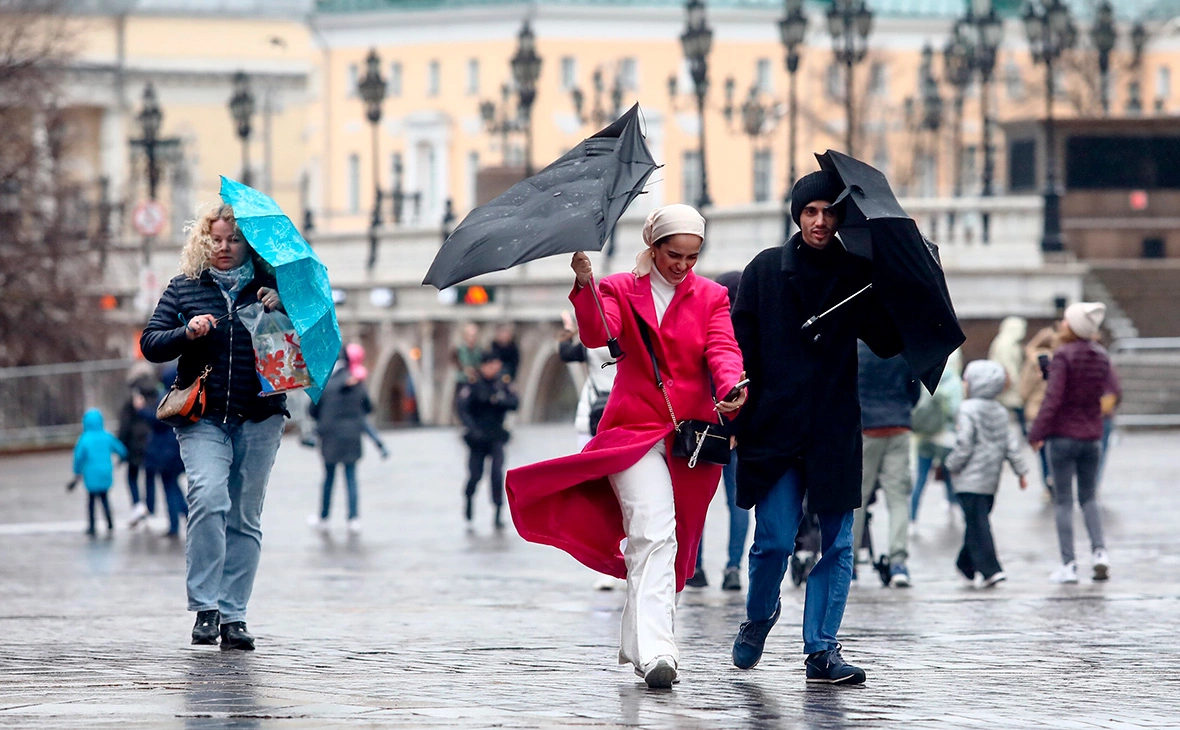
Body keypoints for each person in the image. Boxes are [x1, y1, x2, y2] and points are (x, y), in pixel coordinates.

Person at [506, 204, 746, 689]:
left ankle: (639, 647)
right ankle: (662, 650)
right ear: (653, 247)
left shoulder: (712, 296)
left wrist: (731, 385)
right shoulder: (618, 287)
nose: (683, 266)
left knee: (659, 540)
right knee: (654, 531)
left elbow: (722, 348)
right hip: (634, 430)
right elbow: (600, 334)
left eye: (693, 257)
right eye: (674, 255)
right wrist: (585, 283)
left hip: (689, 437)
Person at [730, 170, 902, 685]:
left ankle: (821, 651)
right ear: (797, 215)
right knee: (774, 542)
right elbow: (739, 344)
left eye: (829, 212)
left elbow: (889, 342)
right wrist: (737, 399)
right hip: (775, 427)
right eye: (811, 212)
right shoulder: (764, 271)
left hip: (833, 428)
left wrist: (887, 287)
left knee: (838, 544)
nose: (820, 221)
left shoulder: (857, 274)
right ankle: (760, 616)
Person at [140, 203, 287, 650]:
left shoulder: (272, 286)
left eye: (234, 240)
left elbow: (306, 342)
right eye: (216, 240)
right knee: (207, 495)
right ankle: (206, 606)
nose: (224, 248)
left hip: (260, 414)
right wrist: (187, 333)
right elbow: (150, 343)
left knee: (244, 514)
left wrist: (283, 308)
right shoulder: (186, 287)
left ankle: (234, 615)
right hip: (202, 415)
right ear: (204, 240)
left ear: (249, 244)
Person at [1028, 302, 1120, 584]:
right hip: (1092, 436)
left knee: (1064, 502)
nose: (1062, 325)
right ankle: (1100, 553)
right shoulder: (1102, 356)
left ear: (1073, 326)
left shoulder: (1064, 355)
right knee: (1090, 498)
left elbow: (1053, 399)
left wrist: (1036, 433)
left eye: (1067, 321)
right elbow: (1113, 390)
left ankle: (1068, 565)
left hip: (1062, 437)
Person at [944, 360, 1030, 587]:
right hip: (991, 480)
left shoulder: (967, 409)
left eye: (966, 380)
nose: (964, 384)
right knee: (977, 521)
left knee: (977, 523)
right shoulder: (1001, 411)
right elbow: (1011, 444)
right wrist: (1021, 470)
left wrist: (951, 465)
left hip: (968, 480)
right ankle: (966, 564)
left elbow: (964, 443)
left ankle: (991, 569)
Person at [852, 342, 921, 587]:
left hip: (866, 427)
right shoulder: (903, 347)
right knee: (898, 496)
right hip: (899, 425)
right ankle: (898, 563)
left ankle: (850, 565)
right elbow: (915, 391)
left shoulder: (855, 347)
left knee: (857, 497)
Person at [308, 347, 375, 536]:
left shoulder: (325, 383)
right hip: (352, 437)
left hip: (330, 437)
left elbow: (312, 411)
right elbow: (369, 407)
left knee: (328, 479)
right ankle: (353, 518)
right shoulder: (357, 383)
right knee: (351, 478)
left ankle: (324, 518)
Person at [458, 351, 519, 529]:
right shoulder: (474, 384)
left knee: (497, 474)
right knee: (475, 475)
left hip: (496, 435)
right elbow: (463, 409)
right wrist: (471, 429)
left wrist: (499, 401)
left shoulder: (502, 383)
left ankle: (498, 511)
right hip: (477, 437)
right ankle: (469, 498)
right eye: (491, 365)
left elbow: (514, 402)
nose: (494, 369)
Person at [910, 349, 963, 528]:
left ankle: (912, 517)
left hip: (925, 437)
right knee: (949, 475)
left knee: (921, 478)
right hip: (946, 438)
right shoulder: (955, 383)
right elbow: (957, 412)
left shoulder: (928, 377)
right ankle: (953, 505)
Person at [142, 367, 188, 537]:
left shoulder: (166, 398)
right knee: (174, 485)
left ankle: (175, 524)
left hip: (165, 453)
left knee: (169, 487)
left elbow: (159, 421)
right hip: (176, 451)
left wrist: (142, 411)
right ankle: (186, 514)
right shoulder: (181, 396)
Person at [69, 408, 127, 536]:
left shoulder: (84, 439)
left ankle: (91, 526)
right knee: (105, 498)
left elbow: (78, 458)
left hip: (91, 474)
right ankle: (110, 523)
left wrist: (77, 472)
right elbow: (121, 450)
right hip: (105, 473)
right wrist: (121, 459)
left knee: (91, 501)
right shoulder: (106, 436)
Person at [1019, 323, 1059, 495]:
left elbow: (1023, 390)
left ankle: (1047, 484)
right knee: (1056, 450)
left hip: (1036, 412)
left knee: (1042, 451)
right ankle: (1056, 479)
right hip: (1056, 412)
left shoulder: (1032, 362)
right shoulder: (1060, 359)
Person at [117, 369, 157, 527]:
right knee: (150, 477)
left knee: (132, 476)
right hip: (152, 442)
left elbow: (125, 425)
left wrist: (122, 445)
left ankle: (138, 506)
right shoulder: (155, 395)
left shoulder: (133, 400)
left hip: (134, 443)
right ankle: (150, 508)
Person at [988, 316, 1028, 428]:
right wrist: (1016, 380)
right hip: (1008, 384)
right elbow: (1007, 364)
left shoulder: (1012, 343)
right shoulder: (1004, 343)